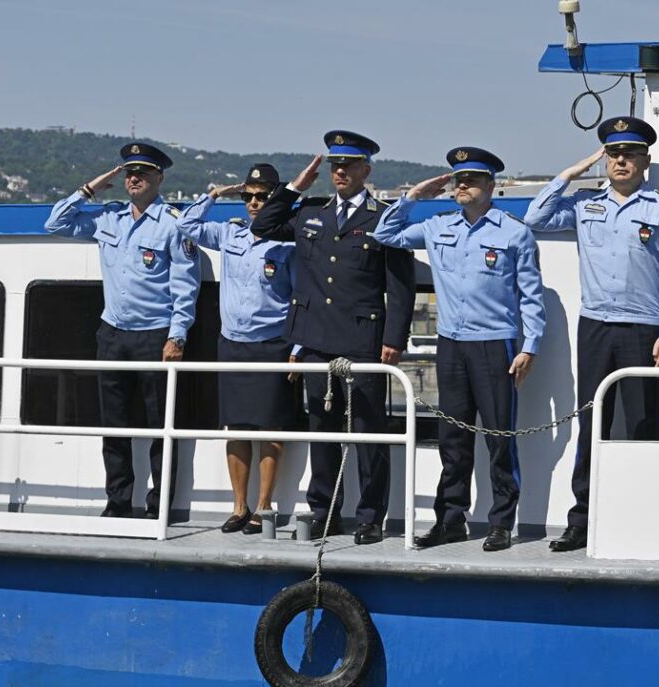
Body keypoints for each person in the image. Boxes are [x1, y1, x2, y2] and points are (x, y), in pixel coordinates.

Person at [524, 116, 659, 552]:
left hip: (643, 328)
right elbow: (535, 217)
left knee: (642, 426)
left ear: (645, 161)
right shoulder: (584, 204)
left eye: (630, 154)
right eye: (614, 154)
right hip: (596, 326)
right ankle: (582, 520)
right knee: (590, 422)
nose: (621, 161)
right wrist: (570, 174)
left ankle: (643, 519)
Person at [373, 146, 546, 552]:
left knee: (500, 437)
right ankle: (451, 519)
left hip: (495, 344)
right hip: (451, 345)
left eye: (471, 180)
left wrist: (530, 346)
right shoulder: (437, 227)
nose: (462, 186)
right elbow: (385, 233)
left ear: (491, 185)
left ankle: (502, 521)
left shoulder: (513, 232)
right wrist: (414, 196)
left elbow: (531, 296)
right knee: (452, 439)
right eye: (457, 180)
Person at [252, 131, 416, 544]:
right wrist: (294, 188)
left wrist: (394, 339)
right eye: (334, 166)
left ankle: (370, 516)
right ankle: (325, 510)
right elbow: (263, 225)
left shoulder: (383, 219)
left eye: (348, 165)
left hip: (363, 338)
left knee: (367, 431)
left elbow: (400, 287)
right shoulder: (310, 213)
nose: (340, 172)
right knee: (322, 429)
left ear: (366, 170)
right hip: (315, 338)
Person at [44, 142, 201, 518]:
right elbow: (55, 223)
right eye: (129, 173)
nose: (134, 179)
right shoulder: (108, 218)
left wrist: (177, 336)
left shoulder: (174, 224)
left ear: (159, 178)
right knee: (113, 424)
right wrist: (90, 189)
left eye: (142, 173)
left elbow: (185, 285)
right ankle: (117, 501)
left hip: (154, 335)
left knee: (161, 426)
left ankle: (158, 505)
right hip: (112, 334)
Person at [176, 163, 296, 535]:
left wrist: (298, 347)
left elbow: (301, 296)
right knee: (237, 428)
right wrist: (214, 195)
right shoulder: (230, 235)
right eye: (248, 197)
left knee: (269, 429)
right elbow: (186, 226)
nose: (254, 203)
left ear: (275, 199)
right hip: (233, 343)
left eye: (262, 197)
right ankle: (239, 506)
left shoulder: (288, 242)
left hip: (272, 343)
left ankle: (264, 506)